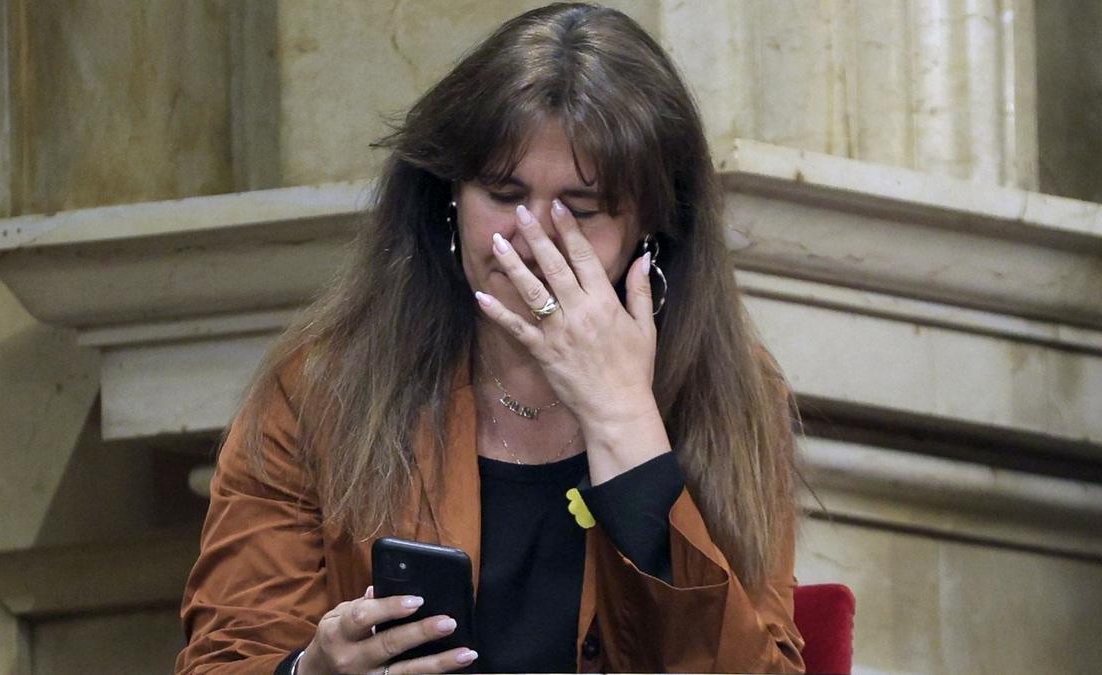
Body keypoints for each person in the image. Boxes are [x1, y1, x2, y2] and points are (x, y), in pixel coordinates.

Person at [175, 3, 805, 673]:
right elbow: (224, 655)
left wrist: (626, 423)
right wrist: (311, 670)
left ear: (648, 224)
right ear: (450, 194)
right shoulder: (318, 388)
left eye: (580, 209)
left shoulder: (731, 394)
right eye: (503, 193)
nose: (529, 238)